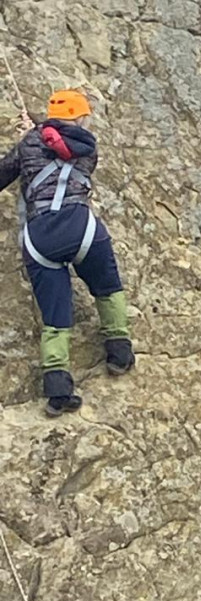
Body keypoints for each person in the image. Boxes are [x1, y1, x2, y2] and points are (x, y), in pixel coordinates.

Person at [0, 90, 135, 416]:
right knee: (107, 287)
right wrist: (35, 135)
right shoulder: (89, 148)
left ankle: (58, 389)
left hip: (39, 238)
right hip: (81, 228)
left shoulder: (30, 144)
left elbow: (8, 171)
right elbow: (61, 145)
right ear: (81, 117)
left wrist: (26, 140)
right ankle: (119, 351)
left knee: (55, 316)